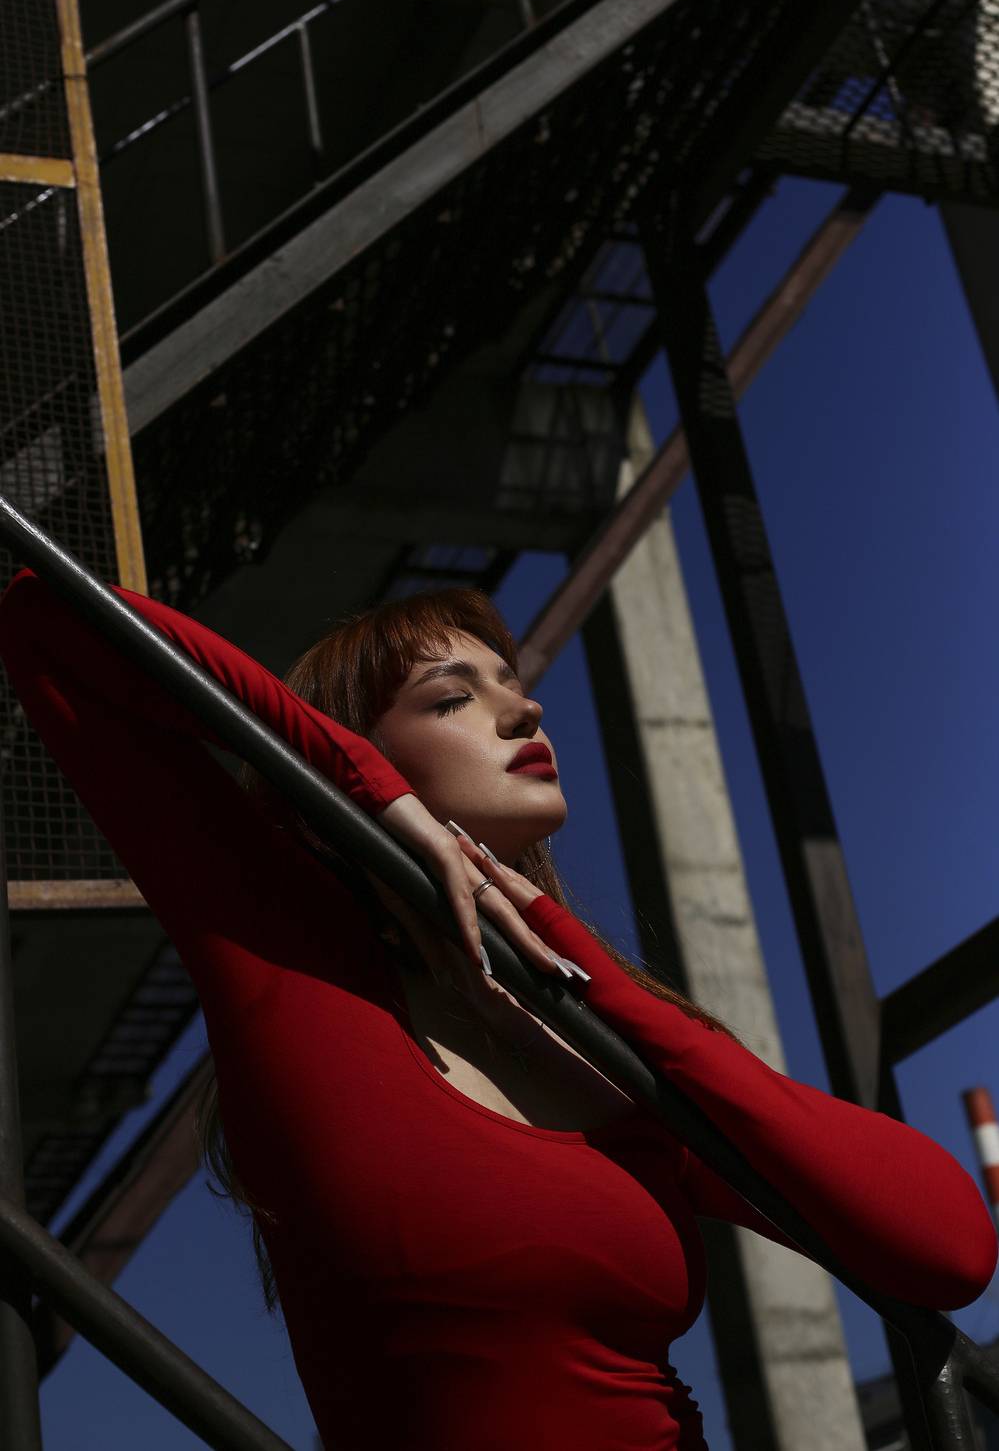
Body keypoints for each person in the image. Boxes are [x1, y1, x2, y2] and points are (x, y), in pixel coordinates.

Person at [0, 565, 994, 1451]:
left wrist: (603, 985)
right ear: (356, 749)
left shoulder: (608, 1048)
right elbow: (50, 618)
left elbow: (948, 1247)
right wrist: (376, 798)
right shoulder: (294, 969)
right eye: (452, 697)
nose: (525, 709)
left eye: (512, 684)